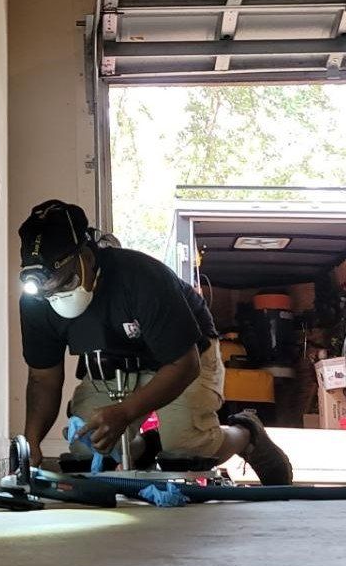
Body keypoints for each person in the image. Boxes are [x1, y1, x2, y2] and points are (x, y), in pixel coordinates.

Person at [17, 199, 293, 485]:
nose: (56, 294)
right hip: (112, 365)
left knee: (186, 452)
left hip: (182, 357)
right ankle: (150, 447)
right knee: (89, 452)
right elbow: (42, 378)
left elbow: (185, 365)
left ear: (86, 255)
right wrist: (31, 444)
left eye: (66, 281)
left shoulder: (140, 277)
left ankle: (248, 434)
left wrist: (124, 412)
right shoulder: (36, 303)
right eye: (46, 289)